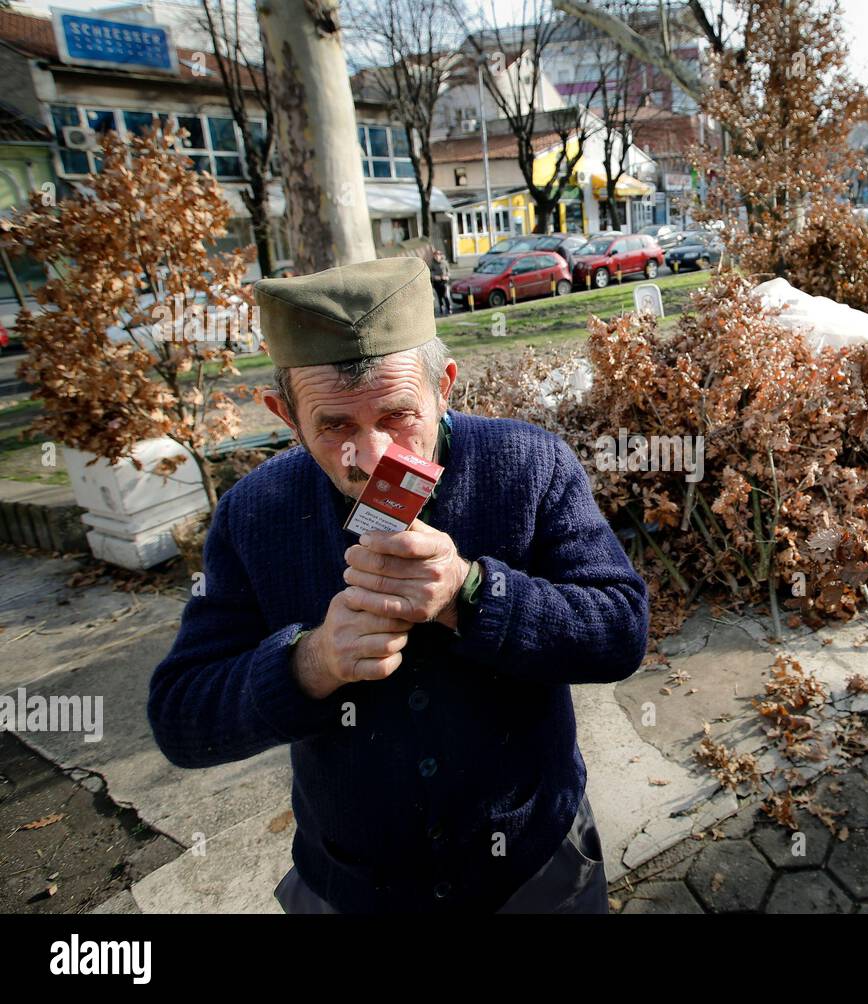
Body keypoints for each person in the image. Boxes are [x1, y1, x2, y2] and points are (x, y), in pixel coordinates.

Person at [148, 256, 649, 914]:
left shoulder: (528, 464)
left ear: (444, 385)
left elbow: (619, 632)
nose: (374, 455)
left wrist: (472, 596)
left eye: (397, 416)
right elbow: (182, 719)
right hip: (355, 886)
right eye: (335, 427)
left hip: (534, 866)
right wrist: (310, 662)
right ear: (286, 415)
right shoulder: (253, 516)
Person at [429, 248, 452, 315]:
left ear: (440, 255)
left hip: (444, 282)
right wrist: (434, 276)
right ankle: (442, 309)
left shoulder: (444, 262)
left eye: (438, 255)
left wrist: (447, 276)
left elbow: (449, 272)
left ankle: (449, 308)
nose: (436, 256)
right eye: (435, 255)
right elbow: (430, 272)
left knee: (446, 295)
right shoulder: (432, 263)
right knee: (439, 296)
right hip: (437, 282)